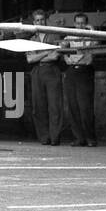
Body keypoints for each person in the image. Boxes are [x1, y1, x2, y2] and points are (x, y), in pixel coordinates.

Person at [25, 8, 65, 145]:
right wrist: (45, 53)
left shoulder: (53, 36)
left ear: (46, 20)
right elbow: (30, 60)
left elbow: (55, 56)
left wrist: (39, 56)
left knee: (55, 106)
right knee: (38, 107)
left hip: (52, 71)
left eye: (42, 20)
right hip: (37, 72)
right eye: (37, 20)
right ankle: (44, 137)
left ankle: (55, 138)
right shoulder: (32, 39)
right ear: (33, 22)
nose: (40, 22)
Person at [61, 12, 98, 146]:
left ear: (86, 24)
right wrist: (66, 58)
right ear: (74, 24)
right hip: (72, 71)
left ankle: (90, 138)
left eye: (82, 23)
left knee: (85, 107)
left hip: (85, 71)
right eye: (77, 23)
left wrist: (92, 30)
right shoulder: (70, 35)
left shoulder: (91, 36)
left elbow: (94, 44)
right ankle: (79, 138)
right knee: (73, 106)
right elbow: (61, 46)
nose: (80, 25)